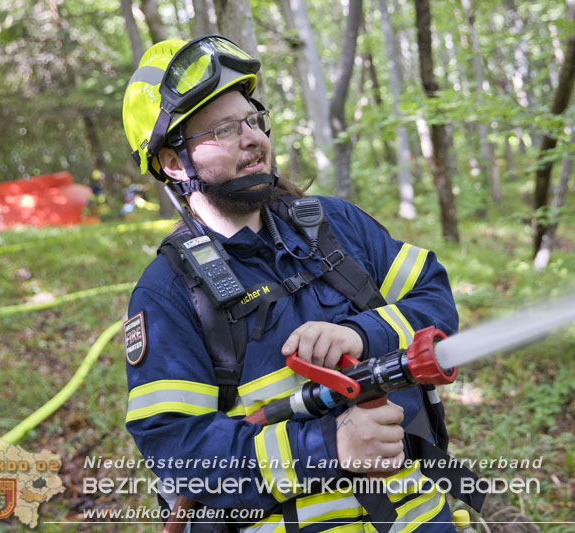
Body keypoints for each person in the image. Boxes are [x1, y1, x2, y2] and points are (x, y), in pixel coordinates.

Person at [122, 36, 479, 533]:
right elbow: (180, 453)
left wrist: (363, 333)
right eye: (224, 129)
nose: (253, 139)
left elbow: (434, 299)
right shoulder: (168, 294)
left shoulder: (335, 226)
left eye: (252, 120)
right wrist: (328, 446)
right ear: (175, 163)